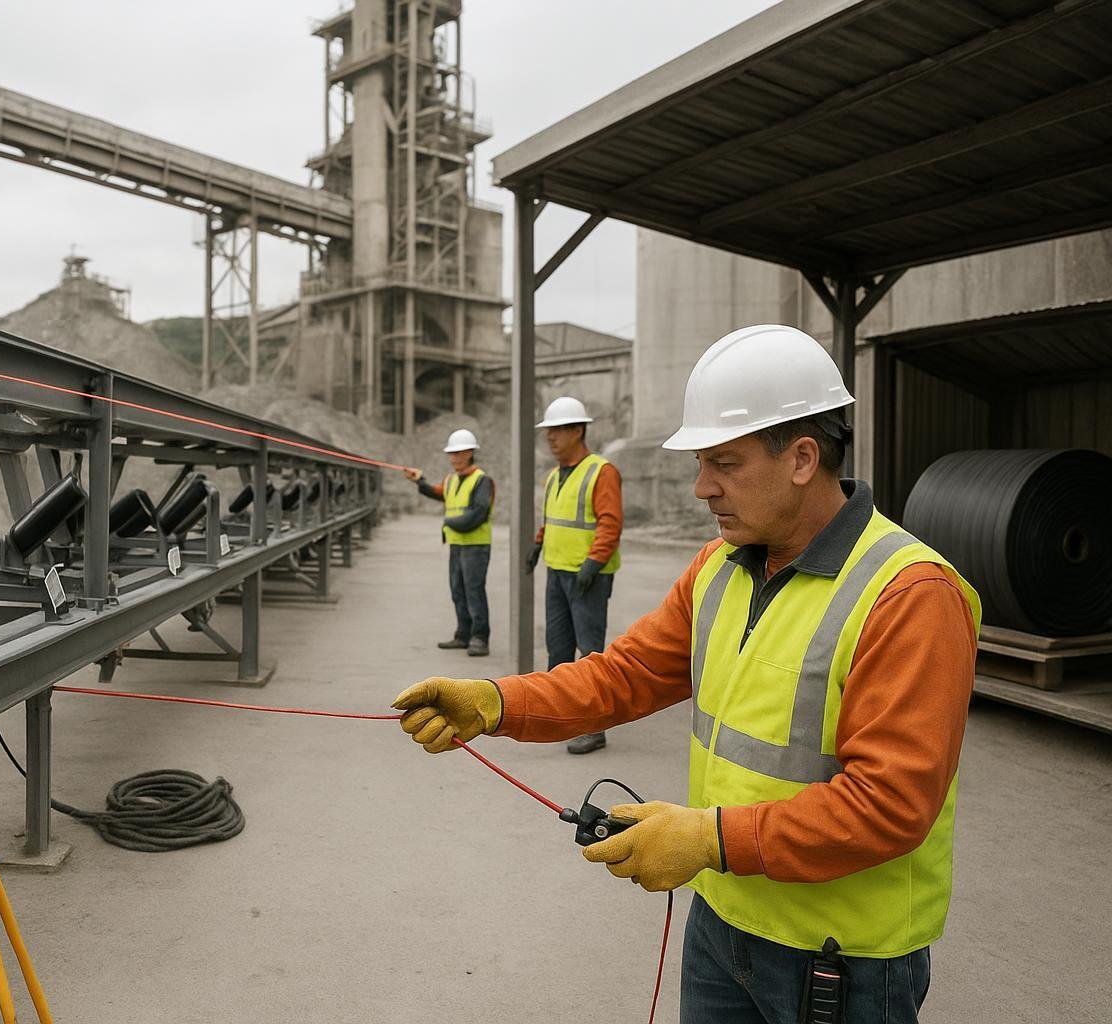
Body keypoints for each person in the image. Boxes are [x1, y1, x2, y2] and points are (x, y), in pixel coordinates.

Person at [393, 325, 980, 1024]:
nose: (702, 487)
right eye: (702, 463)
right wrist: (493, 702)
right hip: (723, 920)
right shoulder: (718, 568)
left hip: (840, 959)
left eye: (724, 464)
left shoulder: (908, 594)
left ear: (801, 458)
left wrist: (707, 839)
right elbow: (623, 676)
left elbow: (889, 805)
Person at [524, 396, 622, 753]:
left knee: (590, 652)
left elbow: (610, 523)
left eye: (558, 430)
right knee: (559, 648)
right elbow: (552, 519)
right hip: (558, 570)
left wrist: (593, 564)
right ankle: (561, 715)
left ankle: (595, 727)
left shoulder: (601, 471)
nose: (550, 437)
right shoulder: (553, 477)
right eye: (548, 431)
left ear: (578, 430)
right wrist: (538, 545)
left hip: (587, 577)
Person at [403, 428, 495, 657]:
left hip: (476, 546)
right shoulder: (451, 480)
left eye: (458, 453)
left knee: (474, 591)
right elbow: (439, 493)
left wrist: (449, 521)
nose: (453, 457)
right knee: (458, 591)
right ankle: (463, 635)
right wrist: (420, 481)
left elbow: (478, 513)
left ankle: (480, 638)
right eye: (451, 453)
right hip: (457, 545)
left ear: (470, 453)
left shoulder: (482, 481)